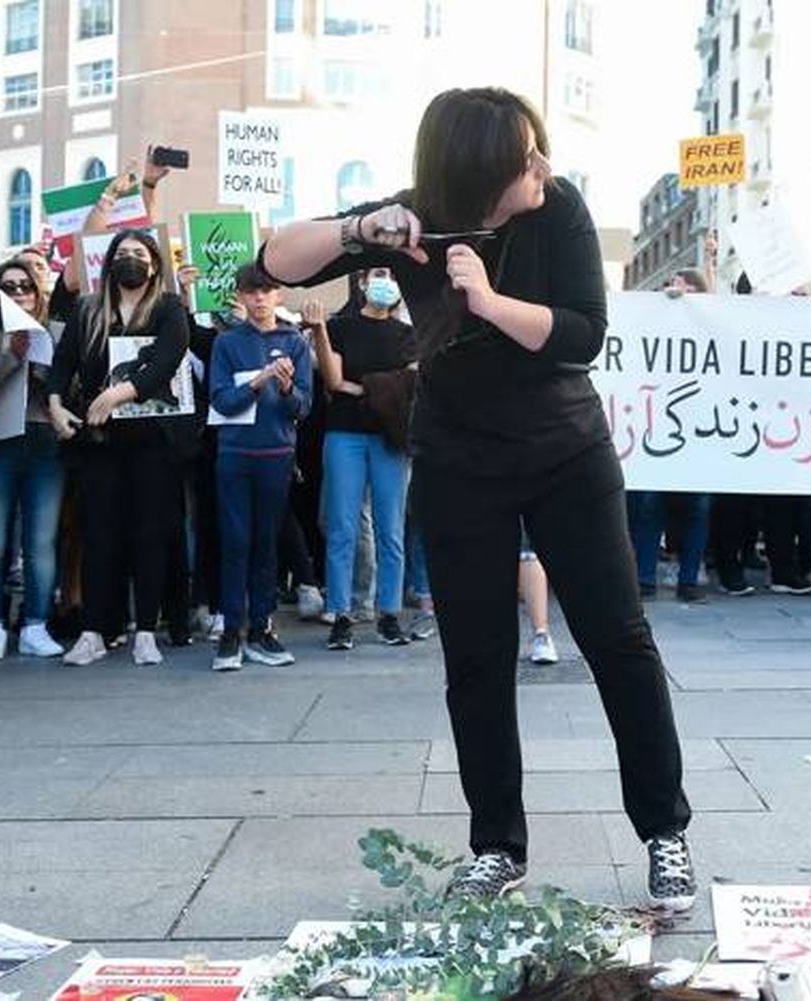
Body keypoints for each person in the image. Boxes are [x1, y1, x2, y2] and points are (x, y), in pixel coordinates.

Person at [260, 87, 695, 910]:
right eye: (525, 155)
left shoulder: (558, 206)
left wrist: (489, 303)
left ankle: (664, 831)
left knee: (619, 639)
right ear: (478, 168)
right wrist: (362, 231)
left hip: (567, 449)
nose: (542, 165)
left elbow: (583, 334)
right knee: (476, 659)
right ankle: (497, 845)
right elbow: (274, 262)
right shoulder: (414, 217)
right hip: (459, 460)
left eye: (539, 150)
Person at [47, 229, 190, 666]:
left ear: (153, 264)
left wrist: (120, 392)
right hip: (100, 441)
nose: (131, 259)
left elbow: (169, 358)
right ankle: (93, 631)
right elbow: (63, 363)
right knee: (99, 534)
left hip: (153, 442)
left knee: (149, 534)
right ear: (109, 263)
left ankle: (145, 630)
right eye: (123, 253)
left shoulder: (167, 308)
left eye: (139, 253)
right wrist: (54, 404)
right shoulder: (89, 310)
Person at [206, 264, 312, 670]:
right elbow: (221, 401)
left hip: (277, 456)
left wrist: (285, 386)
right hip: (235, 455)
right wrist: (258, 381)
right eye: (252, 291)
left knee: (266, 543)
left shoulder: (295, 342)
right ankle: (231, 631)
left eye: (267, 290)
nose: (260, 298)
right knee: (235, 542)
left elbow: (303, 407)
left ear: (279, 295)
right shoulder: (228, 343)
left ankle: (261, 629)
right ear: (241, 296)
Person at [308, 266, 418, 650]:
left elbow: (411, 383)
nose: (385, 281)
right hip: (345, 434)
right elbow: (333, 380)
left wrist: (362, 387)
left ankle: (388, 614)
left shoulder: (408, 334)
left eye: (391, 274)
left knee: (391, 530)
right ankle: (342, 614)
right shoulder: (340, 327)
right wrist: (320, 331)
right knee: (341, 527)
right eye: (377, 274)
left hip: (389, 438)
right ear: (361, 282)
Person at [0, 258, 66, 661]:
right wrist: (9, 357)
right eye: (8, 287)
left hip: (44, 441)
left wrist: (46, 374)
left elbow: (70, 387)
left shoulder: (56, 333)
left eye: (25, 286)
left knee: (41, 543)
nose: (18, 293)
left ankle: (35, 626)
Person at [627, 269, 712, 603]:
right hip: (660, 429)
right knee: (650, 504)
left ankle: (688, 580)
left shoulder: (714, 324)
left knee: (699, 507)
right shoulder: (655, 320)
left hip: (705, 432)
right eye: (676, 287)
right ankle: (644, 578)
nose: (681, 293)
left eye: (690, 289)